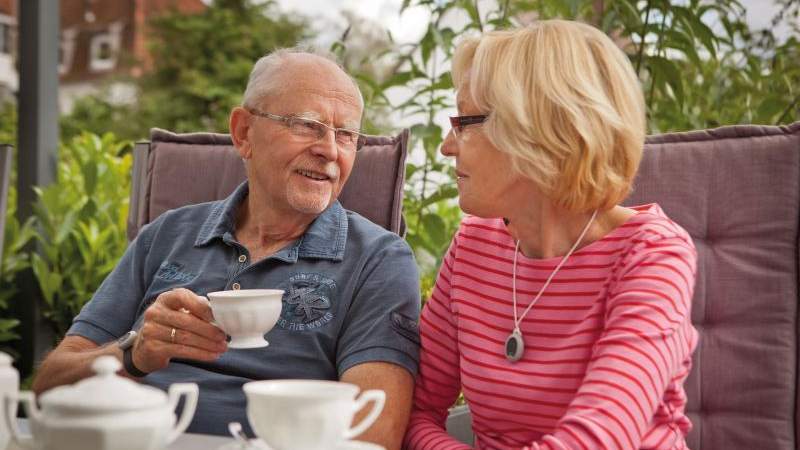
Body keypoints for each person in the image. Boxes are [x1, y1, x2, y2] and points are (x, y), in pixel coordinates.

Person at [32, 48, 420, 450]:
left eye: (347, 135)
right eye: (307, 125)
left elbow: (373, 433)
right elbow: (49, 386)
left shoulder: (378, 260)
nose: (330, 150)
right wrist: (133, 354)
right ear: (244, 133)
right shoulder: (166, 234)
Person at [404, 20, 698, 450]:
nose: (447, 146)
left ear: (534, 133)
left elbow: (599, 439)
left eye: (463, 121)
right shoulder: (473, 248)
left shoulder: (652, 255)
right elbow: (413, 409)